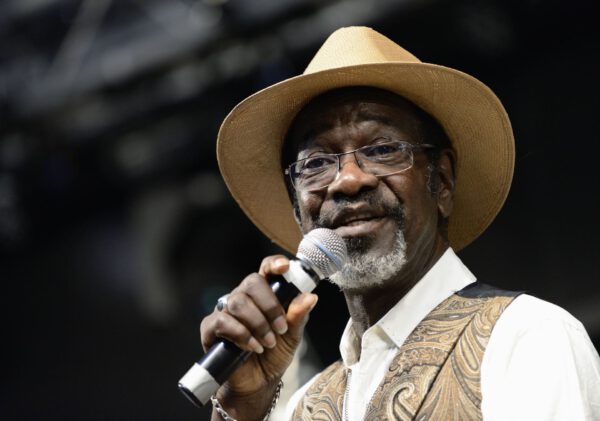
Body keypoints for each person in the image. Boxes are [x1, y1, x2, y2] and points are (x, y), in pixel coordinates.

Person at [199, 27, 600, 420]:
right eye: (317, 163)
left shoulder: (525, 337)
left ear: (442, 181)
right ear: (296, 208)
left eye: (382, 149)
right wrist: (242, 404)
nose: (348, 180)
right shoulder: (304, 405)